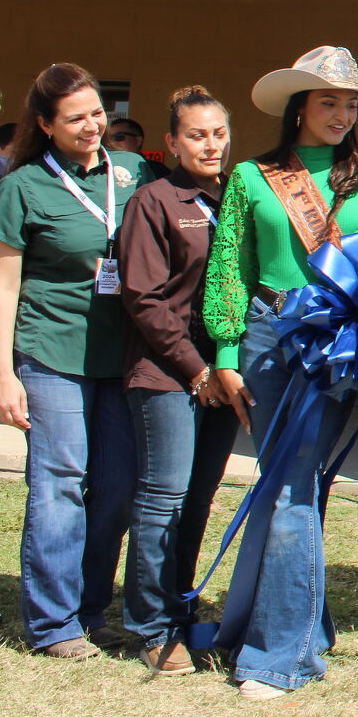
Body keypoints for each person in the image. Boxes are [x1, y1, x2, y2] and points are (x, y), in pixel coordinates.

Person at [203, 46, 358, 698]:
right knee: (290, 485)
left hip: (334, 344)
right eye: (329, 101)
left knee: (292, 490)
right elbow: (230, 265)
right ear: (299, 108)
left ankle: (275, 656)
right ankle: (304, 630)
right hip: (264, 336)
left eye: (350, 103)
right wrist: (226, 354)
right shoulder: (251, 178)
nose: (342, 113)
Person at [0, 64, 138, 658]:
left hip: (122, 357)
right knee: (60, 483)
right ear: (46, 126)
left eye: (97, 112)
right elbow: (2, 286)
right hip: (50, 352)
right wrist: (2, 372)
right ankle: (54, 623)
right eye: (75, 118)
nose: (92, 125)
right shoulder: (20, 188)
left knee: (116, 487)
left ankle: (90, 607)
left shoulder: (131, 173)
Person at [117, 86, 238, 675]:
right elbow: (144, 298)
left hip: (225, 375)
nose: (210, 144)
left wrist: (227, 366)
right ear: (171, 142)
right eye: (196, 134)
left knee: (198, 499)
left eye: (218, 133)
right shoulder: (154, 201)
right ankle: (149, 625)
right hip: (168, 374)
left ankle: (181, 604)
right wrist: (197, 370)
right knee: (163, 497)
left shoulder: (235, 197)